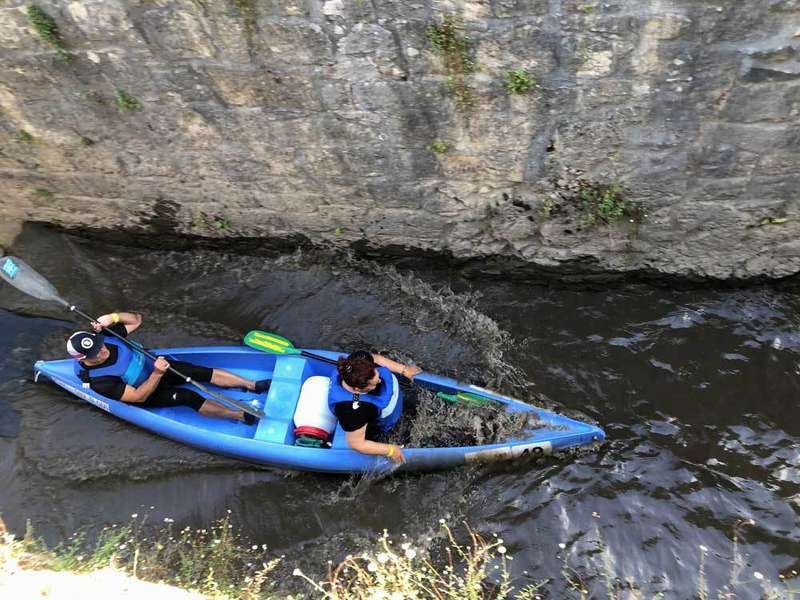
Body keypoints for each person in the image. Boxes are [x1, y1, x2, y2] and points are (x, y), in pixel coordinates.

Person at [66, 311, 270, 424]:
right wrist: (156, 373)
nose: (102, 351)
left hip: (156, 367)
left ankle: (252, 385)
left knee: (199, 372)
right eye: (95, 353)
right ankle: (240, 416)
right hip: (148, 390)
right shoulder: (99, 381)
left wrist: (113, 318)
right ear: (83, 359)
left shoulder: (109, 336)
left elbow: (137, 319)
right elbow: (138, 397)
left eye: (99, 345)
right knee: (187, 397)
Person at [327, 350, 422, 464]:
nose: (380, 380)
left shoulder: (358, 360)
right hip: (376, 426)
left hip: (389, 405)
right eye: (375, 383)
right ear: (357, 389)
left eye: (377, 374)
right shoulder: (351, 411)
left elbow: (377, 359)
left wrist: (404, 370)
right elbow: (357, 444)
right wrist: (391, 450)